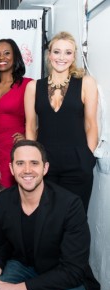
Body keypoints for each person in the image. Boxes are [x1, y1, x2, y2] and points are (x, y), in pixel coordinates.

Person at [0, 140, 99, 290]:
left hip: (60, 270)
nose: (27, 170)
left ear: (45, 168)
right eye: (20, 163)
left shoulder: (70, 204)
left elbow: (73, 270)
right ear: (12, 168)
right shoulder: (3, 200)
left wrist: (21, 289)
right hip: (21, 265)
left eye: (34, 163)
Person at [24, 31, 98, 212]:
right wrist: (32, 161)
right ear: (49, 55)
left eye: (68, 52)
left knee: (76, 218)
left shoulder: (86, 83)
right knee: (46, 219)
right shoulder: (33, 87)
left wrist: (88, 158)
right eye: (57, 52)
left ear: (73, 57)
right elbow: (31, 126)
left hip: (77, 163)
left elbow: (90, 124)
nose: (61, 57)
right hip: (45, 165)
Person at [0, 38, 32, 188]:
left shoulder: (27, 85)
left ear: (15, 56)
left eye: (6, 53)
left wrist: (28, 140)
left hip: (14, 149)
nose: (1, 58)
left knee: (12, 196)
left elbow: (38, 119)